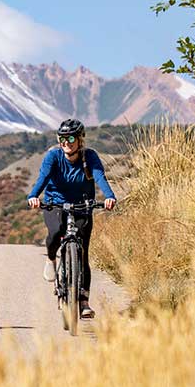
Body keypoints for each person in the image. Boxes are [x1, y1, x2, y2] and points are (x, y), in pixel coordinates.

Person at [28, 118, 116, 319]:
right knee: (56, 232)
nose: (66, 142)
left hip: (82, 205)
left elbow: (100, 176)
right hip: (55, 203)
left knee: (83, 252)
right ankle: (51, 259)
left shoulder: (89, 157)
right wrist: (33, 196)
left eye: (70, 138)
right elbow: (43, 177)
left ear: (80, 140)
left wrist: (109, 196)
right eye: (62, 138)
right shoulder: (53, 157)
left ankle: (84, 301)